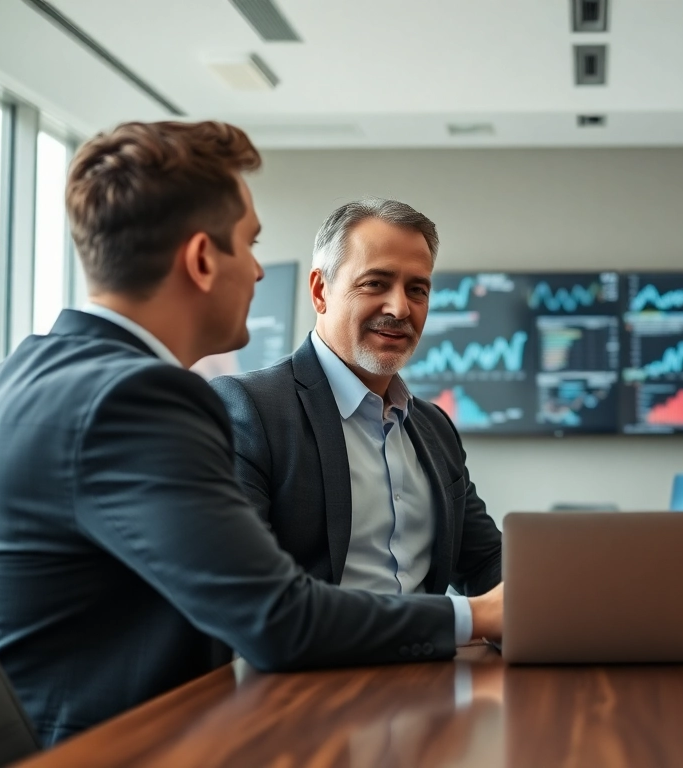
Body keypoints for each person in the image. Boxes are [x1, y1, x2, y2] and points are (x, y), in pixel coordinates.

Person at [0, 121, 502, 746]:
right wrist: (478, 615)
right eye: (250, 244)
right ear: (203, 260)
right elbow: (277, 617)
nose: (261, 273)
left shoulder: (20, 373)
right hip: (109, 748)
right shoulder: (140, 398)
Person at [209, 199, 502, 607]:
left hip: (434, 665)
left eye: (417, 289)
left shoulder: (434, 427)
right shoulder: (249, 410)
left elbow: (484, 561)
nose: (400, 308)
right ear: (320, 290)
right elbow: (252, 594)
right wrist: (462, 620)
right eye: (375, 283)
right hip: (317, 667)